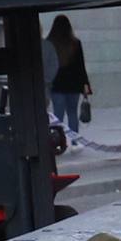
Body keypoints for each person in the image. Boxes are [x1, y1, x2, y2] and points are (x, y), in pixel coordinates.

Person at [44, 14, 91, 147]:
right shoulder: (75, 43)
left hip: (56, 85)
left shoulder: (50, 43)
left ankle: (59, 142)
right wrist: (85, 85)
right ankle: (75, 142)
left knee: (58, 115)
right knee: (72, 113)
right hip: (73, 85)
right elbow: (81, 66)